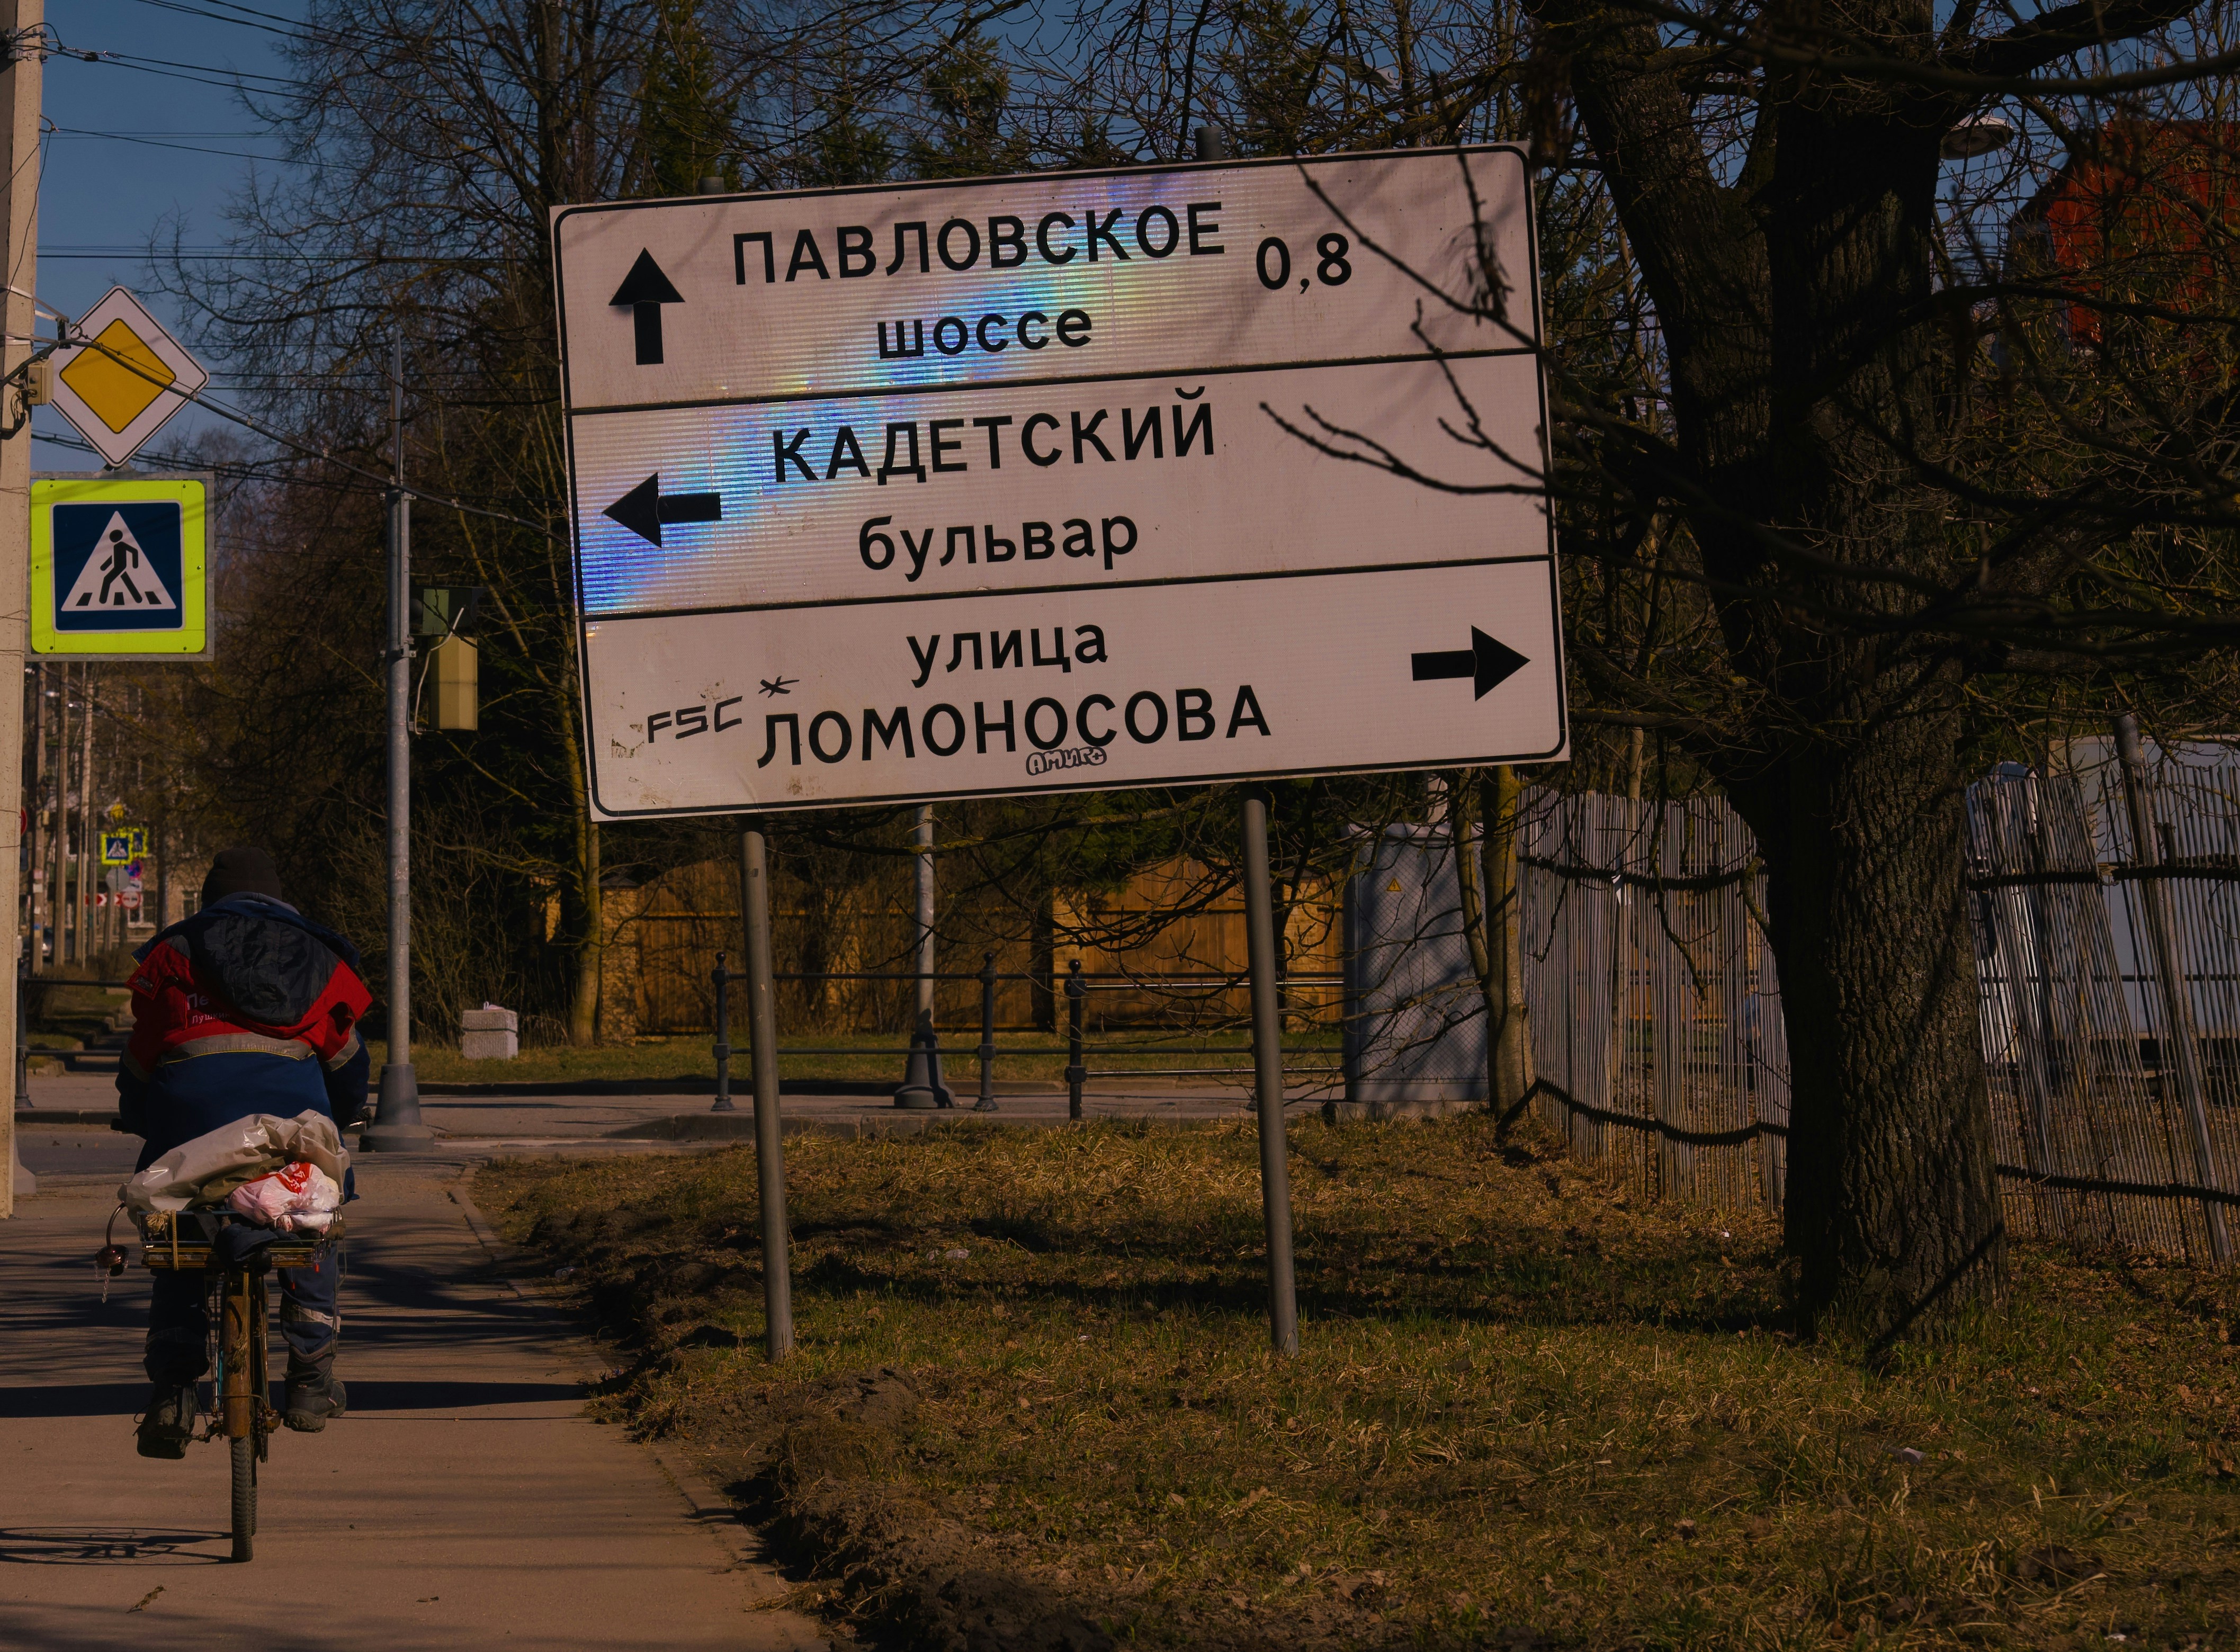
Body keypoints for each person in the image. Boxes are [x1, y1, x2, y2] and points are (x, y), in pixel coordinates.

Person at [119, 847, 373, 1459]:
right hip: (288, 1122)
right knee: (314, 1215)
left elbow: (142, 1056)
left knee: (176, 1224)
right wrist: (341, 1118)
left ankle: (174, 1389)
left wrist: (140, 1117)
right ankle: (310, 1378)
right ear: (280, 900)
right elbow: (346, 1061)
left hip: (191, 1123)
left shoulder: (175, 954)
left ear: (210, 902)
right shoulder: (316, 956)